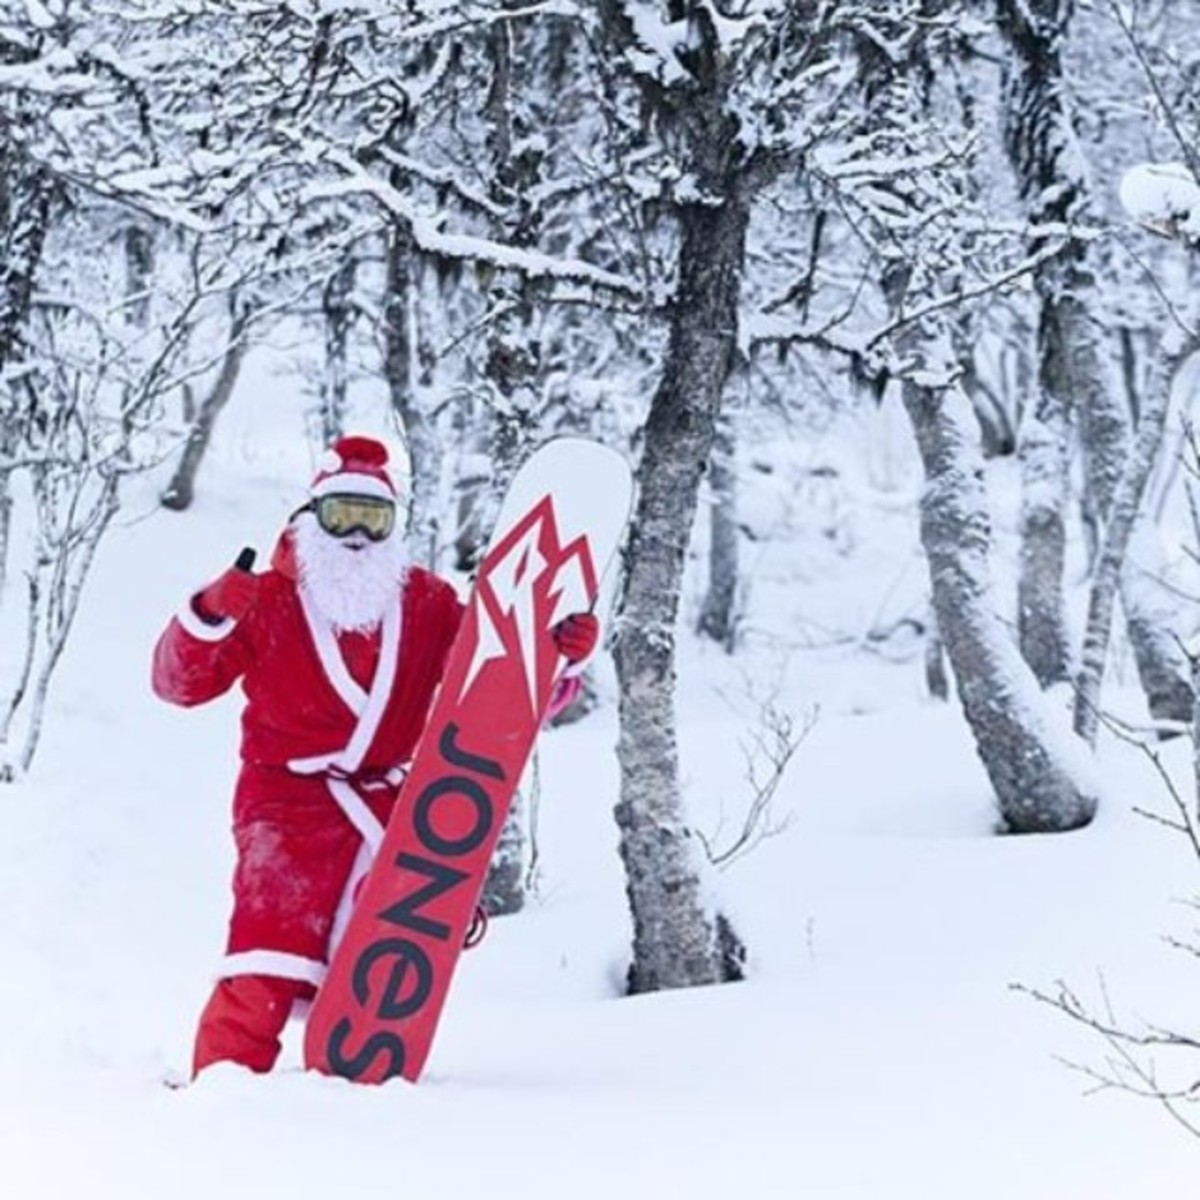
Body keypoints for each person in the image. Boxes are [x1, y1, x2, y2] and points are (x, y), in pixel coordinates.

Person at [151, 434, 599, 1078]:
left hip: (388, 801)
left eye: (374, 518)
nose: (358, 536)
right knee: (267, 946)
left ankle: (361, 1093)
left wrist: (557, 653)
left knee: (388, 945)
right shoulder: (266, 598)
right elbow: (178, 686)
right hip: (283, 803)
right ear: (311, 518)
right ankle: (224, 1086)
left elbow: (493, 690)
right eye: (342, 516)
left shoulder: (428, 603)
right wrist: (207, 615)